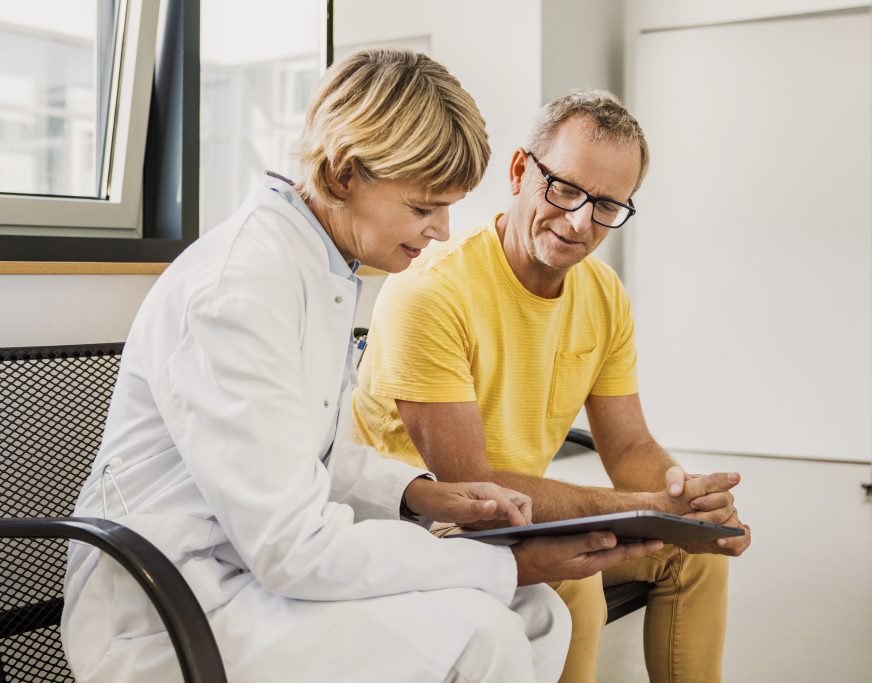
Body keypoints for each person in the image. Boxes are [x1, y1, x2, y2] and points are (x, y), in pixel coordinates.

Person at [61, 52, 662, 683]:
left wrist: (416, 493)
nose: (442, 230)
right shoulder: (239, 290)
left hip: (245, 570)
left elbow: (306, 453)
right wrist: (513, 564)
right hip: (172, 606)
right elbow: (292, 547)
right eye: (425, 207)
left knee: (537, 614)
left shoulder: (317, 266)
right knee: (482, 632)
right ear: (347, 173)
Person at [352, 89, 753, 683]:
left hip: (528, 517)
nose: (579, 222)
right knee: (576, 578)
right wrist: (643, 507)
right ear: (521, 171)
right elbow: (473, 492)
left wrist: (685, 502)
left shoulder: (603, 293)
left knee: (694, 558)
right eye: (566, 189)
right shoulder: (431, 291)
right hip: (426, 525)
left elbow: (629, 448)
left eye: (609, 206)